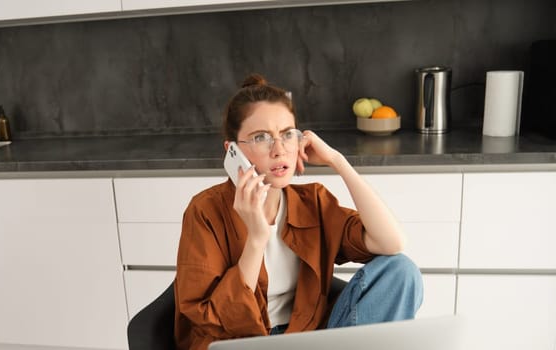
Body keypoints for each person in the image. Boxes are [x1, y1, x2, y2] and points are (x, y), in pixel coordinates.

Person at [174, 74, 423, 350]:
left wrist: (337, 162)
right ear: (232, 151)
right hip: (237, 343)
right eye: (261, 137)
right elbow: (209, 320)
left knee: (401, 270)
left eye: (287, 134)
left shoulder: (313, 202)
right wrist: (256, 238)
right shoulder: (205, 211)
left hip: (305, 339)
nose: (279, 150)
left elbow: (392, 242)